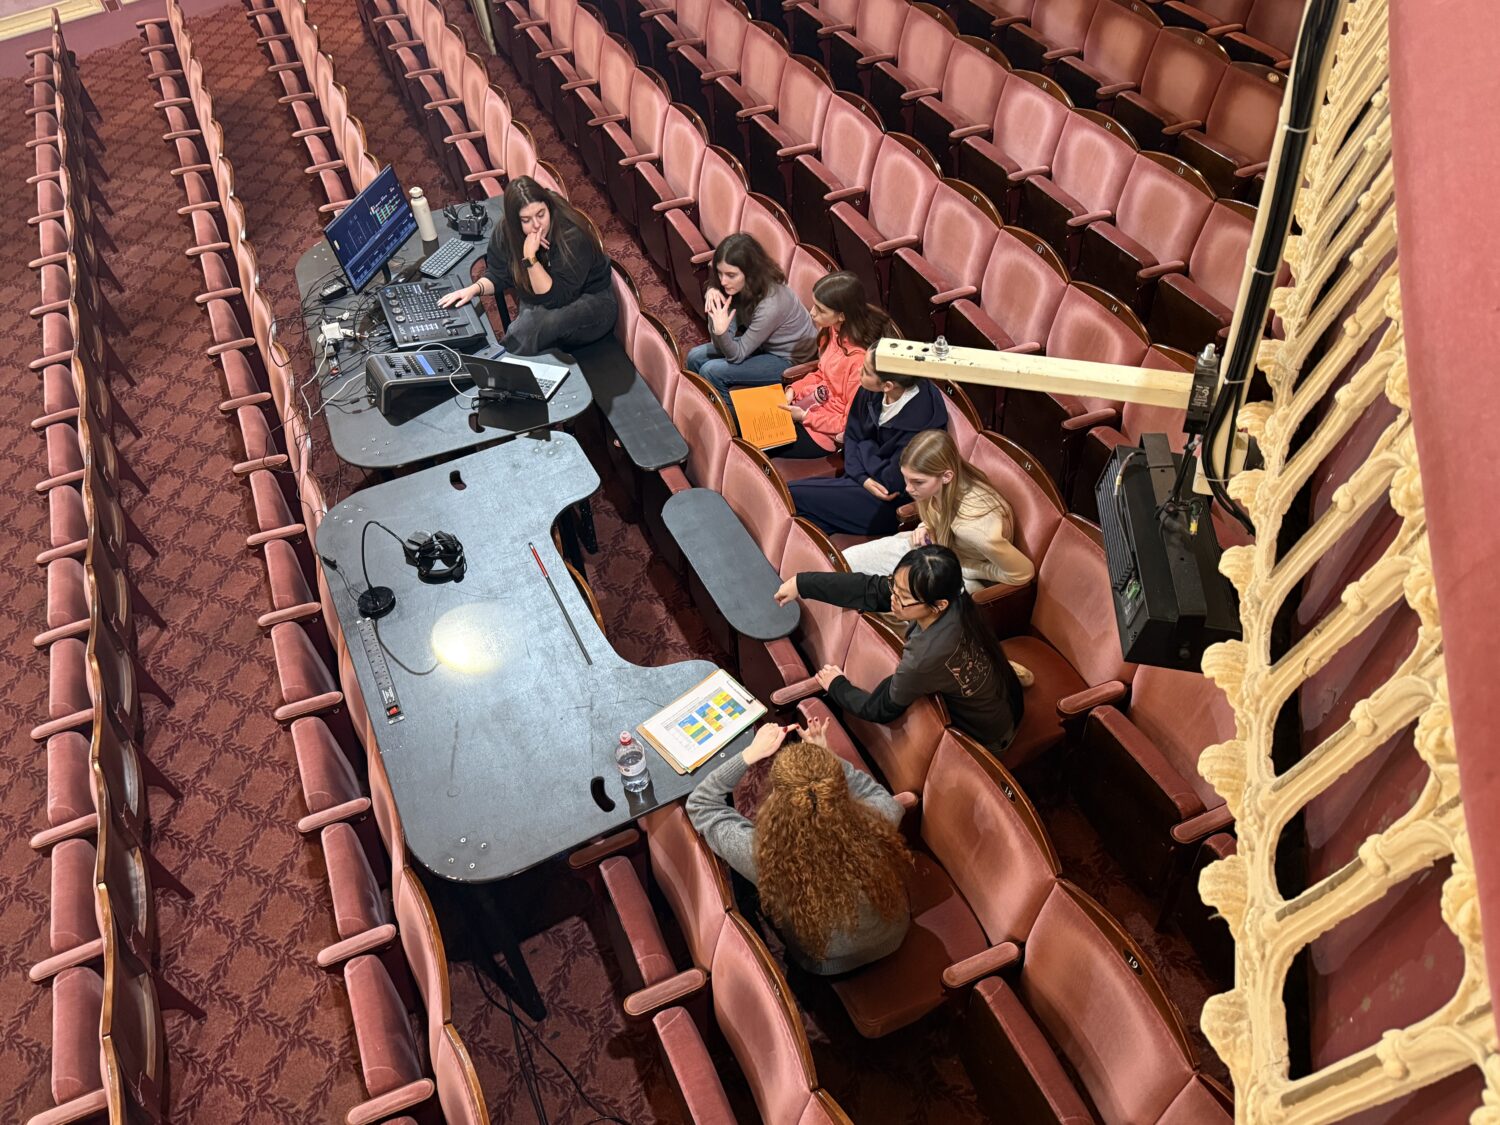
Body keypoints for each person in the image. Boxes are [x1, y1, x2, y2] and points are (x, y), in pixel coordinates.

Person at [686, 717, 911, 976]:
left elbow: (701, 803)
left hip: (826, 965)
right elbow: (876, 794)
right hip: (893, 934)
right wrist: (826, 757)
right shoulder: (878, 821)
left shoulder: (765, 858)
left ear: (775, 799)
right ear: (837, 788)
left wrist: (750, 753)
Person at [773, 545, 1025, 753]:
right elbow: (872, 589)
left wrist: (837, 684)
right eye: (895, 584)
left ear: (938, 605)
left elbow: (880, 708)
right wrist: (801, 584)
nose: (892, 596)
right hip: (1005, 694)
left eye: (902, 596)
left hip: (989, 735)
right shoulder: (954, 596)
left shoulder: (925, 657)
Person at [437, 175, 616, 356]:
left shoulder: (571, 235)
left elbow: (556, 298)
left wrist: (530, 257)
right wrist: (474, 289)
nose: (537, 225)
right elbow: (500, 274)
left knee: (534, 324)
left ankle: (504, 361)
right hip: (541, 292)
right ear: (515, 221)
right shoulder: (508, 230)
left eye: (541, 214)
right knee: (528, 323)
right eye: (526, 220)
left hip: (592, 301)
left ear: (549, 208)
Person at [842, 429, 1035, 593]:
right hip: (934, 548)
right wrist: (926, 525)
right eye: (906, 479)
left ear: (946, 476)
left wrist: (970, 569)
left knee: (885, 605)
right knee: (844, 563)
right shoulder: (939, 487)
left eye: (917, 482)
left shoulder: (973, 528)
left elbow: (1023, 573)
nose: (908, 489)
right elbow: (940, 515)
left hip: (958, 575)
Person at [787, 350, 947, 536]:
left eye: (866, 371)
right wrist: (861, 474)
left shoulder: (921, 421)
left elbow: (891, 481)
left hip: (885, 501)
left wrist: (862, 450)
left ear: (888, 385)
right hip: (860, 479)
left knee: (791, 495)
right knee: (802, 520)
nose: (858, 372)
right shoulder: (871, 388)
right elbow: (852, 435)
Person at [686, 233, 817, 401]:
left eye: (731, 275)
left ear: (750, 273)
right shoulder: (737, 286)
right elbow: (722, 343)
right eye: (720, 274)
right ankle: (704, 403)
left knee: (710, 371)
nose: (724, 281)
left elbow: (735, 354)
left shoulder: (771, 304)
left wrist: (720, 332)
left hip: (790, 360)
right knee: (694, 356)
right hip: (762, 343)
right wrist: (713, 289)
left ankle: (730, 421)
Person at [773, 271, 889, 458]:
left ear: (841, 316)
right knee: (737, 419)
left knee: (751, 444)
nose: (812, 313)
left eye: (820, 310)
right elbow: (822, 373)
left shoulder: (860, 363)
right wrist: (793, 389)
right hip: (803, 404)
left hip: (820, 432)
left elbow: (848, 422)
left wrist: (805, 417)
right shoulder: (833, 329)